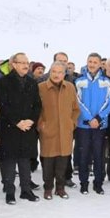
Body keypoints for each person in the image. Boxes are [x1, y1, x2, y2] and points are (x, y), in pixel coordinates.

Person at [0, 53, 42, 204]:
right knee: (9, 160)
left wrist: (31, 120)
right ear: (13, 64)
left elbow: (37, 105)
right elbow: (2, 105)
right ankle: (10, 191)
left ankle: (26, 190)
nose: (25, 65)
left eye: (27, 62)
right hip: (10, 127)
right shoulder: (4, 82)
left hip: (27, 128)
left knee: (25, 160)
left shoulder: (32, 82)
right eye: (21, 62)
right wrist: (17, 122)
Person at [37, 61, 80, 199]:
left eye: (60, 72)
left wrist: (71, 123)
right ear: (50, 72)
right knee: (48, 163)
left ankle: (60, 188)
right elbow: (36, 110)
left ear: (64, 74)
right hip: (48, 131)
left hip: (65, 131)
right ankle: (48, 188)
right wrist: (41, 126)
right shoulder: (41, 87)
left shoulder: (70, 88)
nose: (56, 75)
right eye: (54, 72)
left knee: (63, 162)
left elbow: (75, 109)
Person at [74, 53, 110, 195]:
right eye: (90, 61)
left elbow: (109, 102)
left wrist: (97, 118)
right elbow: (77, 102)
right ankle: (84, 183)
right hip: (84, 125)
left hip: (100, 126)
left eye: (95, 62)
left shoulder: (106, 81)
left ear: (99, 64)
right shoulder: (79, 81)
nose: (92, 64)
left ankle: (98, 183)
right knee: (83, 155)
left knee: (99, 155)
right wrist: (89, 118)